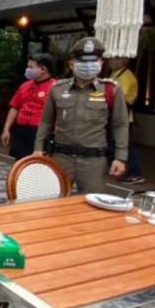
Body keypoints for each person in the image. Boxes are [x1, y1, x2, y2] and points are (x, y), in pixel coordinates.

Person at [34, 37, 129, 193]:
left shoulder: (110, 90)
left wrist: (120, 157)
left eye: (93, 61)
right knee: (53, 200)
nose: (88, 65)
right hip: (61, 157)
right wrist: (38, 148)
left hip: (94, 161)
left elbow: (120, 125)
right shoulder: (58, 89)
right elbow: (46, 121)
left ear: (101, 63)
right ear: (72, 63)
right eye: (82, 61)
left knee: (91, 202)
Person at [1, 53, 57, 160]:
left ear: (43, 69)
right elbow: (14, 107)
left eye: (31, 67)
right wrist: (6, 129)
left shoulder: (55, 88)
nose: (28, 70)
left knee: (37, 163)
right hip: (21, 130)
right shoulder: (24, 86)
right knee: (19, 162)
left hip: (41, 132)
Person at [109, 56, 144, 184]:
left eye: (116, 59)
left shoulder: (126, 76)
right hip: (114, 113)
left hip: (123, 113)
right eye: (111, 59)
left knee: (125, 143)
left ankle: (135, 173)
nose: (112, 61)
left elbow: (119, 97)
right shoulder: (114, 74)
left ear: (126, 61)